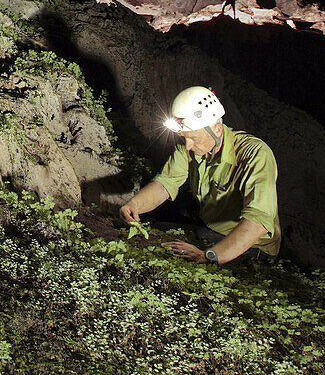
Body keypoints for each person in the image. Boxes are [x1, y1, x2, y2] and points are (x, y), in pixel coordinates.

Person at [119, 87, 281, 265]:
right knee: (159, 228)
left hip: (253, 245)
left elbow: (257, 223)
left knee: (168, 246)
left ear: (217, 130)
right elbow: (165, 183)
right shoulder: (190, 147)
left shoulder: (255, 154)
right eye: (184, 138)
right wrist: (134, 205)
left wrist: (208, 255)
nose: (187, 145)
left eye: (194, 138)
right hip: (211, 228)